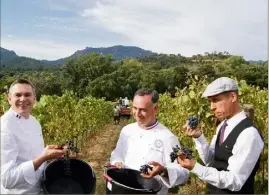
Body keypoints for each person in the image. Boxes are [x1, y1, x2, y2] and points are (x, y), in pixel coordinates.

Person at [177, 77, 264, 194]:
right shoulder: (222, 126)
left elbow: (235, 181)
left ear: (233, 97)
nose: (212, 107)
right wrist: (198, 137)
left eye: (216, 100)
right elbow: (212, 161)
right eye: (210, 101)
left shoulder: (249, 134)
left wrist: (195, 167)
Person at [110, 88, 189, 194]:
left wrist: (163, 171)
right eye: (134, 108)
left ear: (155, 108)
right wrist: (117, 162)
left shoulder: (168, 138)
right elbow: (117, 154)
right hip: (125, 189)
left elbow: (183, 173)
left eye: (143, 109)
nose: (137, 113)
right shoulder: (127, 130)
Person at [1, 79, 68, 194]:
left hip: (39, 189)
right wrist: (43, 158)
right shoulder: (4, 127)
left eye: (27, 95)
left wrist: (50, 156)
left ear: (34, 98)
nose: (23, 99)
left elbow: (33, 156)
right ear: (9, 98)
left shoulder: (34, 122)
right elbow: (7, 179)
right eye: (18, 95)